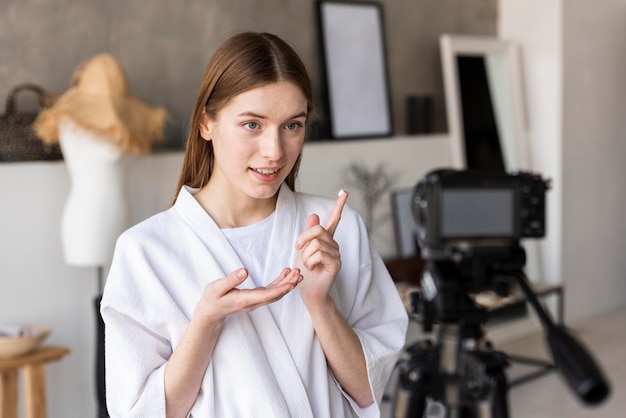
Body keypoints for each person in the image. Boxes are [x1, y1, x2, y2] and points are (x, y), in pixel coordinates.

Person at [100, 31, 408, 418]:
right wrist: (207, 321)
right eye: (252, 125)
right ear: (206, 124)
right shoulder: (147, 251)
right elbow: (142, 413)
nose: (275, 151)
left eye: (292, 125)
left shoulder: (338, 235)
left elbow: (368, 390)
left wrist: (319, 304)